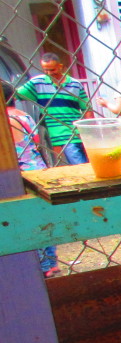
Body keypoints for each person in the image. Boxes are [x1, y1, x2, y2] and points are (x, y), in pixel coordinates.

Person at [4, 79, 59, 278]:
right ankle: (51, 263)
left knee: (28, 224)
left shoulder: (4, 120)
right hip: (38, 169)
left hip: (22, 174)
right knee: (44, 221)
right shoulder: (23, 115)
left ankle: (43, 267)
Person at [15, 52, 93, 165]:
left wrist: (87, 131)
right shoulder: (37, 83)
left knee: (78, 163)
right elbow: (14, 95)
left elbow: (87, 109)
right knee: (60, 167)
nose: (49, 73)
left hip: (73, 131)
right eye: (45, 70)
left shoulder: (75, 85)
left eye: (52, 70)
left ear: (60, 66)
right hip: (52, 134)